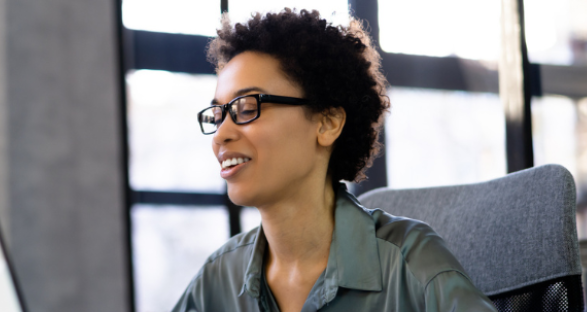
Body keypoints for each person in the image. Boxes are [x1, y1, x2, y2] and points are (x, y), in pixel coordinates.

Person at [174, 9, 496, 312]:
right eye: (218, 115)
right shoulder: (217, 281)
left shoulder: (410, 266)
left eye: (246, 107)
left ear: (327, 123)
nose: (220, 135)